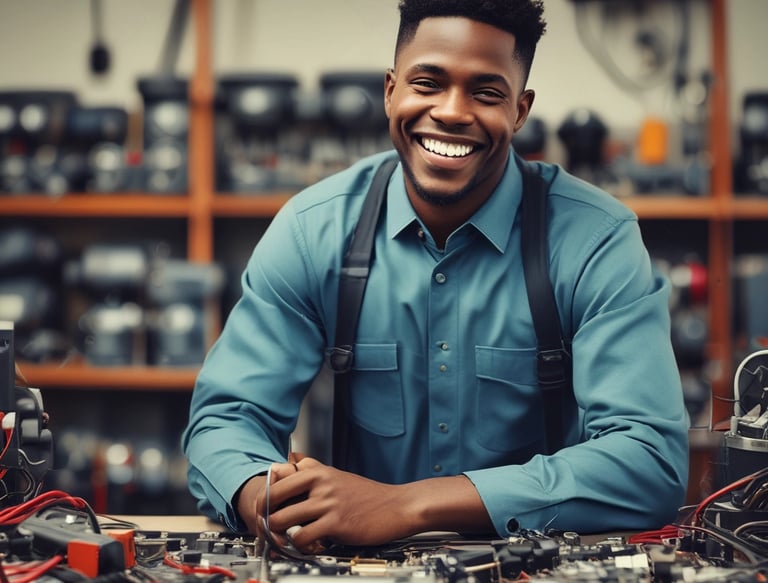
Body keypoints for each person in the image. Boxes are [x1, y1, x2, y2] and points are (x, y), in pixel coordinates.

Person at [182, 0, 689, 552]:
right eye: (428, 83)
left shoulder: (596, 241)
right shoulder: (313, 231)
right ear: (390, 90)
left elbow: (648, 460)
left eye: (486, 93)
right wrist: (268, 497)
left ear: (520, 111)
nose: (451, 111)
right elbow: (226, 418)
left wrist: (405, 505)